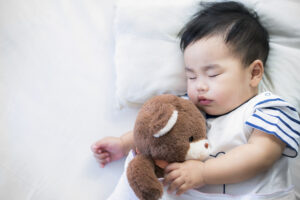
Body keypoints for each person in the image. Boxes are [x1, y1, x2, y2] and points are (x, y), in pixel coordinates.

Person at [91, 1, 300, 199]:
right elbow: (154, 132)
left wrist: (204, 172)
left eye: (212, 74)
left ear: (254, 73)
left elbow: (261, 154)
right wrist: (123, 144)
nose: (199, 85)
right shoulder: (188, 109)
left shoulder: (267, 109)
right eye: (191, 76)